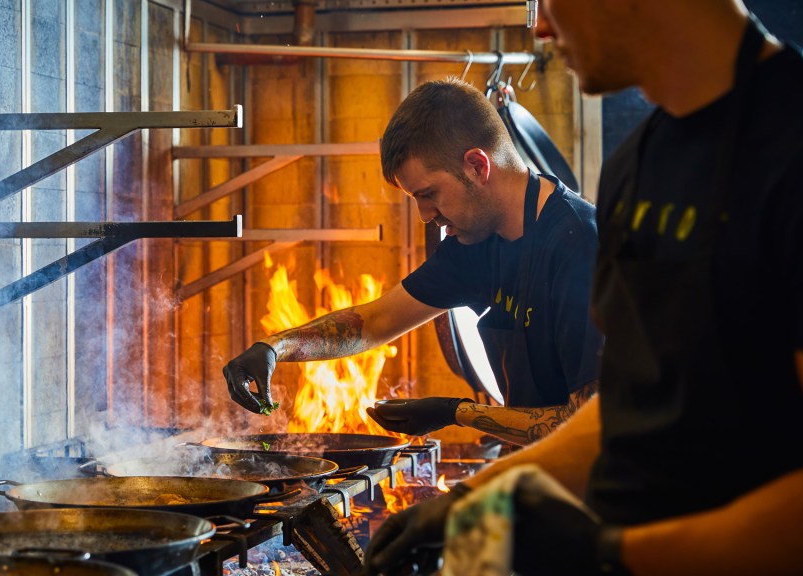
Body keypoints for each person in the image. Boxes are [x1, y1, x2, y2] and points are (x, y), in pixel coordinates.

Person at [363, 1, 803, 575]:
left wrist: (613, 556)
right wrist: (471, 502)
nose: (540, 26)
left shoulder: (790, 147)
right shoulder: (636, 168)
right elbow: (629, 404)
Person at [223, 78, 602, 446]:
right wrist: (275, 347)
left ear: (477, 166)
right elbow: (376, 321)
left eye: (429, 194)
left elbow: (589, 425)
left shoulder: (580, 246)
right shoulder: (478, 240)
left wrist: (458, 412)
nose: (424, 215)